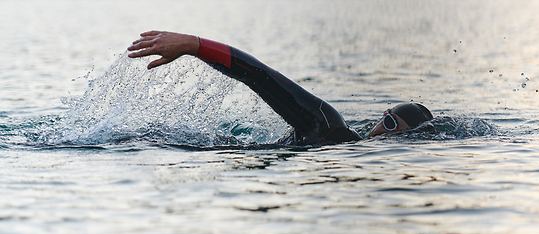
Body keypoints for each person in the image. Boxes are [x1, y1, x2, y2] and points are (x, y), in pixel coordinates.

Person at [127, 31, 433, 145]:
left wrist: (195, 45)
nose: (380, 127)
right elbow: (263, 78)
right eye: (386, 117)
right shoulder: (333, 129)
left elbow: (262, 78)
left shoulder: (333, 133)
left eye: (391, 124)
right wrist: (195, 46)